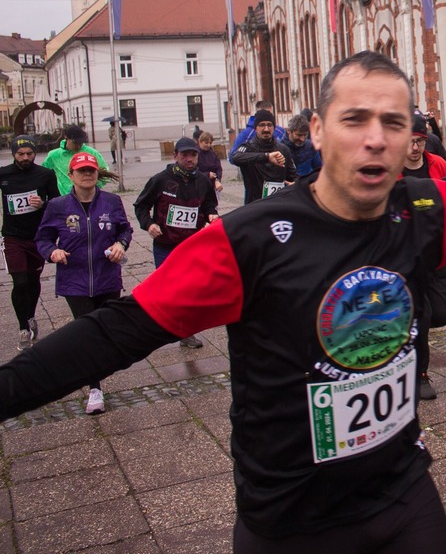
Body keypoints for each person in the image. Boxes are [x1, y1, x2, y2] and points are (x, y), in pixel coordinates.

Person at [0, 51, 446, 554]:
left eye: (394, 123)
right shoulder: (251, 240)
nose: (375, 139)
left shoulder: (423, 210)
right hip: (290, 519)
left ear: (411, 140)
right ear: (317, 132)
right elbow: (114, 333)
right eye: (354, 119)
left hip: (401, 492)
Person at [33, 151, 131, 415]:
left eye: (91, 170)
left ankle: (96, 365)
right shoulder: (58, 206)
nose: (87, 174)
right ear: (71, 175)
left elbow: (125, 229)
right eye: (82, 171)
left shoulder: (111, 201)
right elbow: (42, 238)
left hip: (107, 277)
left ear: (97, 173)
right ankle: (94, 388)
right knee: (88, 332)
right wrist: (52, 252)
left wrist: (121, 244)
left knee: (107, 329)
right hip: (74, 281)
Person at [133, 137, 220, 348]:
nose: (189, 159)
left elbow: (210, 205)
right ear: (175, 156)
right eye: (185, 155)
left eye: (193, 155)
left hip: (192, 245)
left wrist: (212, 215)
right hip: (165, 245)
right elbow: (141, 206)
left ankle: (184, 331)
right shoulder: (160, 180)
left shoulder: (203, 181)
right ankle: (163, 324)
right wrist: (149, 224)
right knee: (169, 290)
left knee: (191, 289)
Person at [400, 114, 446, 400]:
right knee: (423, 313)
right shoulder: (392, 170)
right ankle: (420, 375)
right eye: (410, 142)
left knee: (441, 314)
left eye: (420, 141)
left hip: (437, 250)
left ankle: (405, 332)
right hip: (407, 255)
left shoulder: (437, 164)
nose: (415, 148)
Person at [0, 135, 59, 349]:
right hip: (12, 236)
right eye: (20, 154)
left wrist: (42, 204)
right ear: (13, 154)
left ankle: (31, 315)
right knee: (20, 282)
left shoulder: (45, 174)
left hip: (37, 236)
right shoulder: (4, 174)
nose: (25, 158)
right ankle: (23, 328)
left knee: (33, 280)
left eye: (29, 154)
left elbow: (56, 202)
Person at [231, 109, 297, 204]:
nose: (266, 129)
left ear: (274, 127)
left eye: (269, 125)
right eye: (262, 125)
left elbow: (293, 175)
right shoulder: (248, 147)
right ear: (255, 128)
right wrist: (267, 157)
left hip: (279, 204)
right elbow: (235, 158)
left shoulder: (283, 149)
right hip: (255, 204)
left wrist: (295, 184)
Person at [42, 125, 109, 196]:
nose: (78, 145)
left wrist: (92, 186)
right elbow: (43, 174)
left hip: (89, 196)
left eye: (81, 142)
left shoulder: (91, 153)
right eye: (75, 142)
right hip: (65, 197)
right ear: (66, 137)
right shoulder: (54, 155)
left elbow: (105, 172)